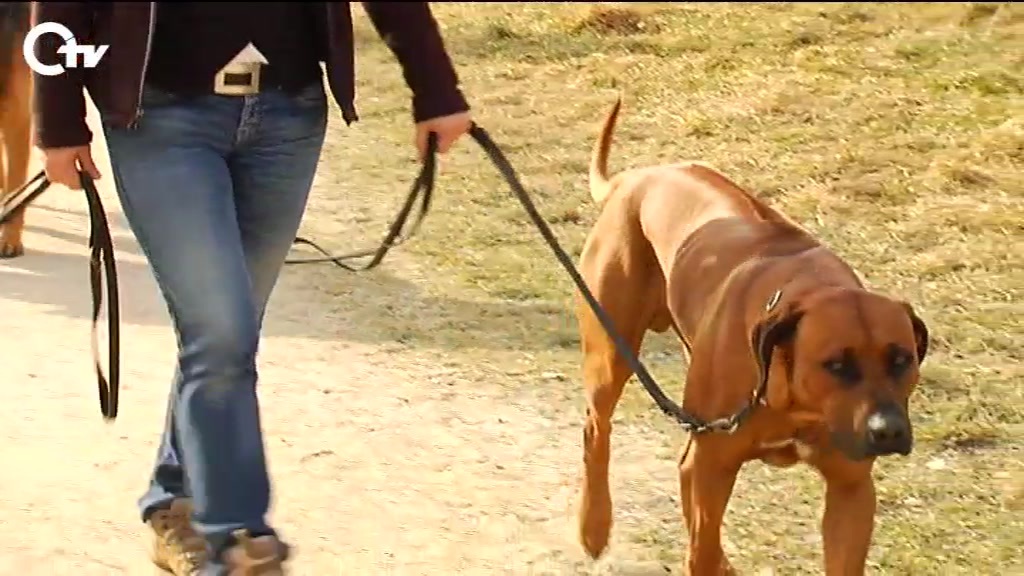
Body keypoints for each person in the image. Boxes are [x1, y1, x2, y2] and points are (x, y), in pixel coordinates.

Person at [32, 3, 472, 574]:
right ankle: (236, 540)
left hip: (288, 114)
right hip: (160, 118)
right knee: (221, 333)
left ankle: (176, 500)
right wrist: (58, 122)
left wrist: (435, 89)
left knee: (227, 335)